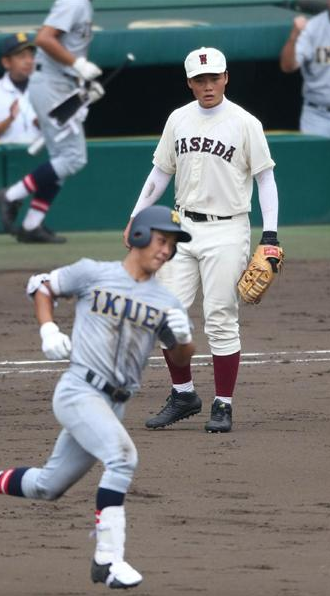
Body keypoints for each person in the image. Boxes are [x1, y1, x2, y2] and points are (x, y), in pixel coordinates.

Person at [0, 206, 195, 590]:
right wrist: (48, 329)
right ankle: (108, 560)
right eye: (161, 239)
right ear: (138, 236)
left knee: (48, 485)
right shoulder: (94, 273)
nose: (166, 250)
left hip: (113, 405)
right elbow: (43, 285)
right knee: (122, 458)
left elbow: (180, 358)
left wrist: (184, 338)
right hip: (79, 391)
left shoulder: (166, 301)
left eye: (172, 245)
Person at [124, 46, 282, 434]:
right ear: (190, 82)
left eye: (214, 78)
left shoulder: (245, 123)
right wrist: (135, 216)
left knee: (220, 318)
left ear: (226, 78)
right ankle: (184, 395)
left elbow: (265, 179)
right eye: (200, 79)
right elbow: (160, 173)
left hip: (228, 229)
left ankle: (223, 404)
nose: (208, 85)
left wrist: (271, 235)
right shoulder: (178, 119)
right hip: (183, 227)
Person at [0, 0, 104, 244]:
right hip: (51, 83)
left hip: (60, 83)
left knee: (61, 159)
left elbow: (68, 47)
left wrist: (81, 83)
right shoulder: (74, 2)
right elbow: (43, 38)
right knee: (73, 157)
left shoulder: (83, 5)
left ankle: (31, 224)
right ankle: (11, 195)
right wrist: (77, 65)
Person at [0, 33, 40, 144]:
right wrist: (9, 119)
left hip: (42, 155)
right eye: (22, 56)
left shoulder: (45, 87)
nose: (29, 61)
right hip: (9, 157)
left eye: (31, 56)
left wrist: (44, 124)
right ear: (6, 62)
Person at [279, 1, 330, 137]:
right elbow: (288, 66)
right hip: (319, 115)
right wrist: (294, 37)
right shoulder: (313, 28)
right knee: (315, 158)